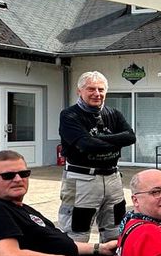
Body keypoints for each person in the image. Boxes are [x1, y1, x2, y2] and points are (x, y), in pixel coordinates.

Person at [58, 71, 136, 243]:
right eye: (91, 89)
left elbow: (130, 137)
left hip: (113, 179)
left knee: (116, 229)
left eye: (101, 89)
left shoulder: (113, 114)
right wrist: (117, 140)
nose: (97, 94)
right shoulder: (70, 115)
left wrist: (98, 139)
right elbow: (86, 145)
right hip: (82, 180)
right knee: (77, 233)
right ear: (79, 91)